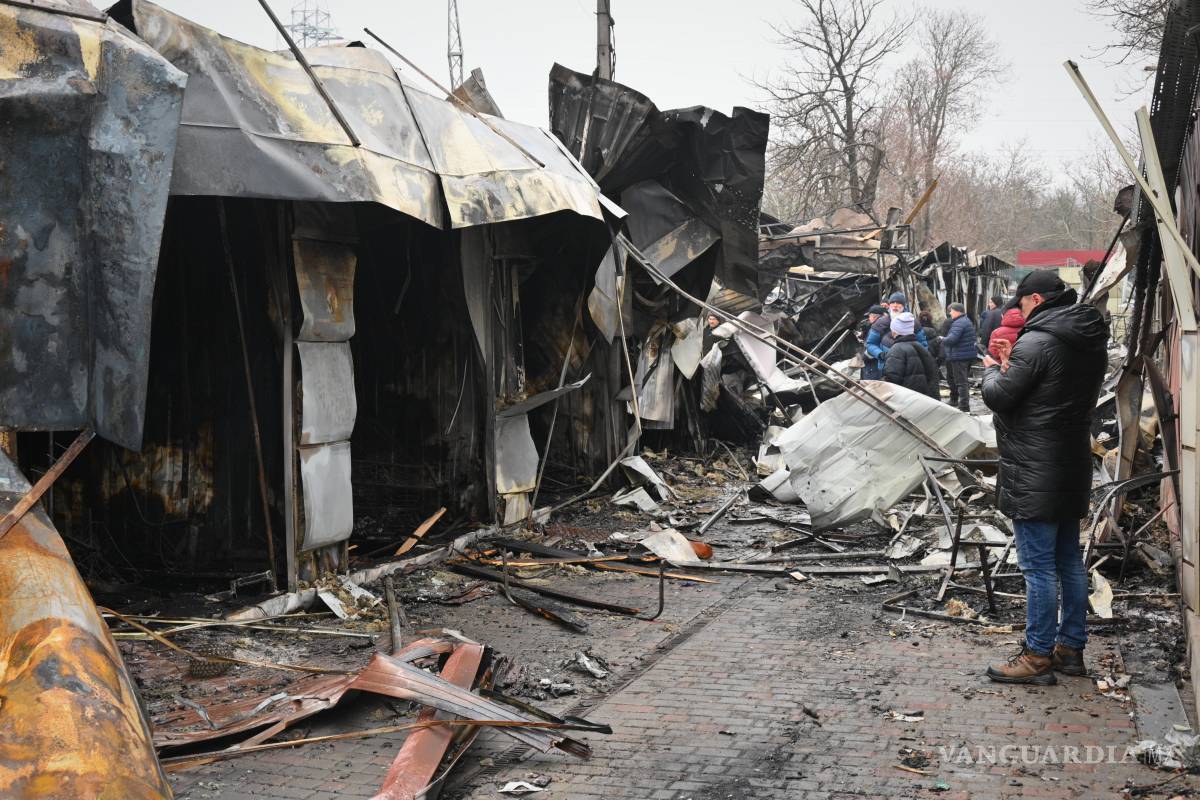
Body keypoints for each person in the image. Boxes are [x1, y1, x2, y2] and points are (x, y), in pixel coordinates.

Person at [980, 271, 1108, 685]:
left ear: (1036, 298)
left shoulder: (1036, 342)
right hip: (1071, 463)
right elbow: (1047, 393)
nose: (1019, 311)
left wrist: (991, 370)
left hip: (1034, 468)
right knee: (1069, 561)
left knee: (1037, 568)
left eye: (1021, 304)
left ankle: (1036, 656)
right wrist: (1009, 364)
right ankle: (1070, 649)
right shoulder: (1087, 342)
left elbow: (1000, 397)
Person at [882, 312, 940, 398]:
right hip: (922, 396)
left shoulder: (896, 349)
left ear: (895, 331)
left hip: (905, 397)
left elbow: (892, 377)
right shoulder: (920, 346)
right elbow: (931, 373)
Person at [941, 303, 977, 411]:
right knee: (962, 381)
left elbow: (952, 339)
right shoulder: (965, 321)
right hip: (966, 355)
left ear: (957, 311)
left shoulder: (959, 323)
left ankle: (964, 406)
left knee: (961, 382)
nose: (950, 313)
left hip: (959, 356)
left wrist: (942, 339)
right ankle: (959, 402)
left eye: (951, 311)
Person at [861, 305, 888, 380]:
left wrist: (864, 357)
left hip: (875, 363)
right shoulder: (886, 325)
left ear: (875, 316)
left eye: (869, 316)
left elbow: (872, 346)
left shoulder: (876, 328)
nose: (869, 318)